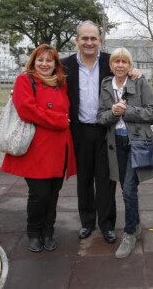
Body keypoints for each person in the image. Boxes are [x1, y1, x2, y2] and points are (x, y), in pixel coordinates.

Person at [1, 44, 77, 252]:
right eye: (40, 60)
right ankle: (34, 232)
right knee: (39, 194)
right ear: (33, 61)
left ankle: (48, 231)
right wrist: (59, 120)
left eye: (49, 60)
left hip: (59, 148)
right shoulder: (25, 81)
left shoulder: (61, 83)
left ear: (55, 64)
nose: (44, 64)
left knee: (53, 193)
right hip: (37, 148)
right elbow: (27, 110)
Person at [97, 47, 153, 258]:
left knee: (127, 190)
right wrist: (112, 113)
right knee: (128, 190)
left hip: (137, 143)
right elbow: (100, 116)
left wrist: (128, 111)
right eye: (116, 61)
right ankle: (134, 225)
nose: (119, 65)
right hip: (115, 144)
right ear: (111, 65)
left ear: (130, 65)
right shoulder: (106, 85)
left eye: (124, 62)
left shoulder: (139, 82)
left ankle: (129, 234)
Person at [61, 21, 118, 243]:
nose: (89, 42)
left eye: (93, 38)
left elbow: (127, 70)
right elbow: (42, 76)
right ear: (77, 40)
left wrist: (134, 70)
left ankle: (107, 225)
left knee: (107, 180)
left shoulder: (110, 62)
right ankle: (87, 222)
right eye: (84, 38)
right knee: (83, 180)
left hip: (105, 130)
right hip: (79, 131)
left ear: (100, 41)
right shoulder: (64, 66)